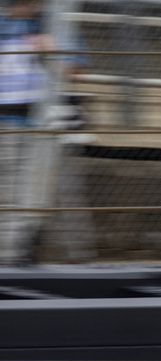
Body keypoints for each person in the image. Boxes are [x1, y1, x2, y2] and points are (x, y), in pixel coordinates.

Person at [0, 0, 93, 265]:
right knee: (8, 197)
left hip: (46, 127)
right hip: (7, 125)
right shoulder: (3, 24)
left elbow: (76, 71)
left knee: (51, 199)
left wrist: (51, 51)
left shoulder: (57, 24)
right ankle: (10, 261)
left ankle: (74, 263)